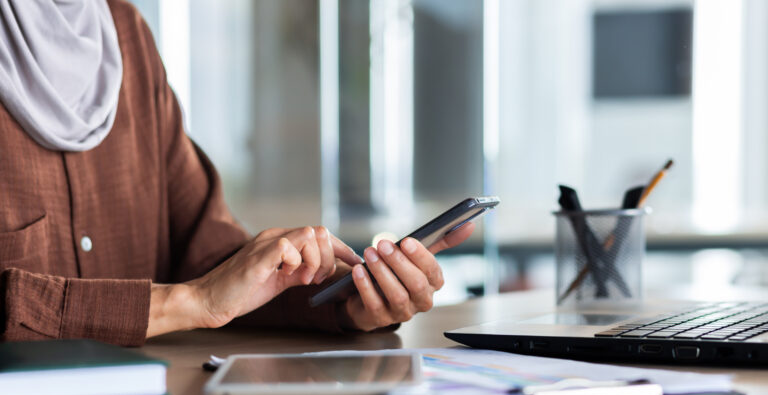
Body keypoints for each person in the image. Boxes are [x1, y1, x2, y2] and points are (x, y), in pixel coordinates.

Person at [0, 0, 474, 346]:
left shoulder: (123, 34)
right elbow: (207, 291)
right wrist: (188, 303)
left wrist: (345, 303)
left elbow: (208, 254)